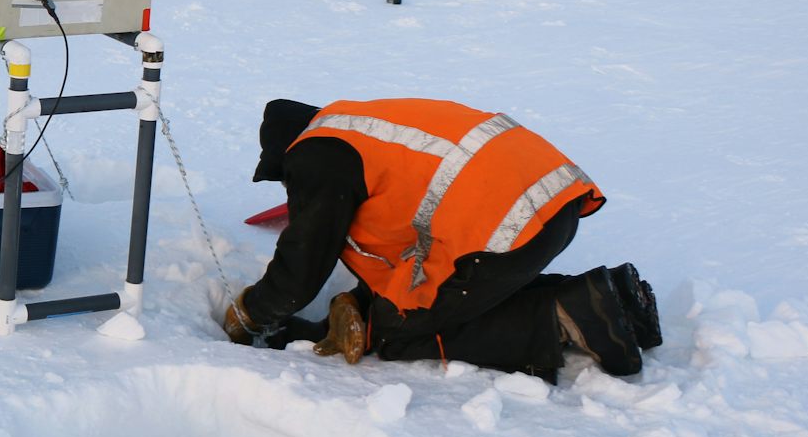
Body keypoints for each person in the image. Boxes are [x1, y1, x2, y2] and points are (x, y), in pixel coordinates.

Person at [220, 98, 661, 383]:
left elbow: (304, 262)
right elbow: (402, 231)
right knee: (465, 292)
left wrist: (253, 312)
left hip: (505, 227)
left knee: (398, 333)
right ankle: (612, 298)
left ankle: (564, 313)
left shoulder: (317, 155)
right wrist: (366, 294)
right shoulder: (361, 127)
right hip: (552, 203)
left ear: (287, 153)